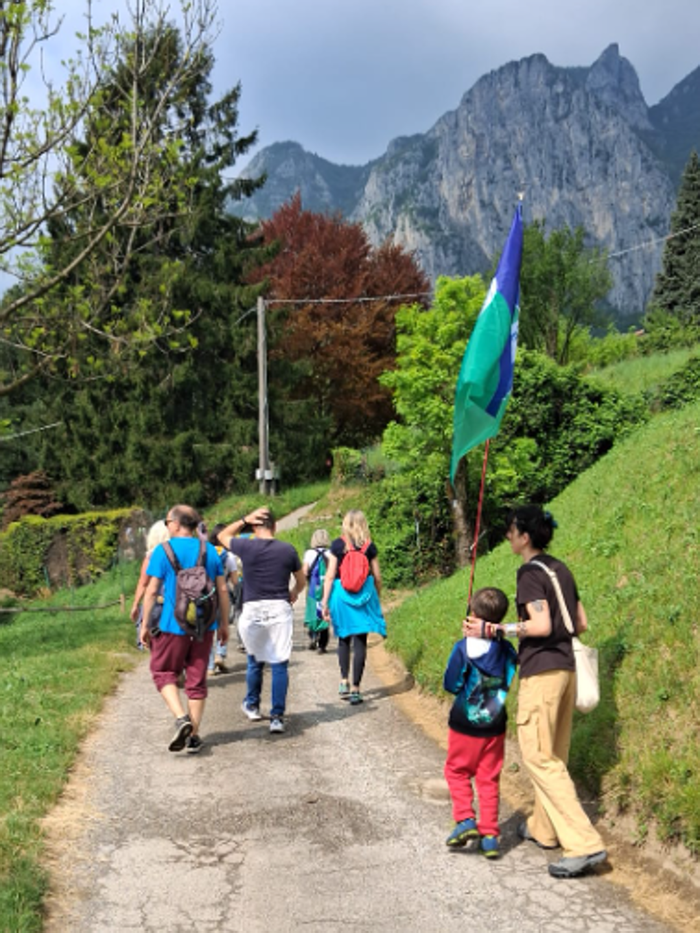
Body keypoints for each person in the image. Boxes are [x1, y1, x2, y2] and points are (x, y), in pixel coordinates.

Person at [466, 505, 607, 878]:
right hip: (567, 671)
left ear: (524, 536)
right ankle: (544, 829)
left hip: (542, 674)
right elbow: (580, 622)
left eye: (511, 530)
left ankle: (584, 843)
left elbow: (541, 624)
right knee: (553, 755)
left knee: (538, 758)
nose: (508, 536)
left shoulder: (530, 572)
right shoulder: (561, 568)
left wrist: (494, 631)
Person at [140, 505, 230, 755]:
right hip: (204, 625)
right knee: (196, 678)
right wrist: (223, 624)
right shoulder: (209, 550)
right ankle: (194, 736)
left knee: (163, 671)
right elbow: (222, 590)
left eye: (168, 520)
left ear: (177, 524)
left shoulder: (163, 551)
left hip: (171, 625)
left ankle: (181, 718)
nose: (167, 525)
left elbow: (151, 590)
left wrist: (146, 624)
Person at [443, 587, 517, 860]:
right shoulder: (507, 649)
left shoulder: (462, 649)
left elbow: (451, 684)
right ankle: (490, 837)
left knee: (457, 771)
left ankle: (464, 819)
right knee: (488, 778)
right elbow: (509, 670)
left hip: (464, 723)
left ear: (472, 615)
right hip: (495, 724)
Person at [217, 507, 305, 734]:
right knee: (279, 663)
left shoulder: (246, 547)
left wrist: (244, 519)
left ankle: (253, 706)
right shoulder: (287, 550)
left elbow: (222, 536)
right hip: (279, 609)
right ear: (275, 526)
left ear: (255, 528)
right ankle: (277, 717)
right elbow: (301, 578)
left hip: (253, 608)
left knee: (255, 661)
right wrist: (294, 592)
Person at [321, 509, 386, 705]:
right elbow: (377, 577)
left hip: (341, 596)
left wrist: (325, 601)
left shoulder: (337, 545)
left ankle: (343, 681)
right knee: (360, 642)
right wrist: (377, 596)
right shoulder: (369, 547)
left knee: (343, 639)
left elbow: (331, 575)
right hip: (364, 596)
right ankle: (356, 689)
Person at [129, 519, 171, 648]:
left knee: (155, 641)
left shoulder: (152, 556)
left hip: (156, 603)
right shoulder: (179, 553)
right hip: (177, 602)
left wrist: (135, 604)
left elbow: (143, 582)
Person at [208, 523, 240, 674]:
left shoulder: (205, 552)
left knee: (207, 629)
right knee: (224, 624)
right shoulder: (230, 556)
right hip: (223, 593)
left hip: (206, 594)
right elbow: (235, 581)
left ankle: (209, 665)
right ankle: (220, 655)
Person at [301, 528, 331, 652]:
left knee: (312, 612)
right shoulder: (331, 553)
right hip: (327, 587)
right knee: (324, 613)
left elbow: (304, 571)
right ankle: (322, 645)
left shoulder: (309, 553)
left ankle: (313, 636)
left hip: (313, 587)